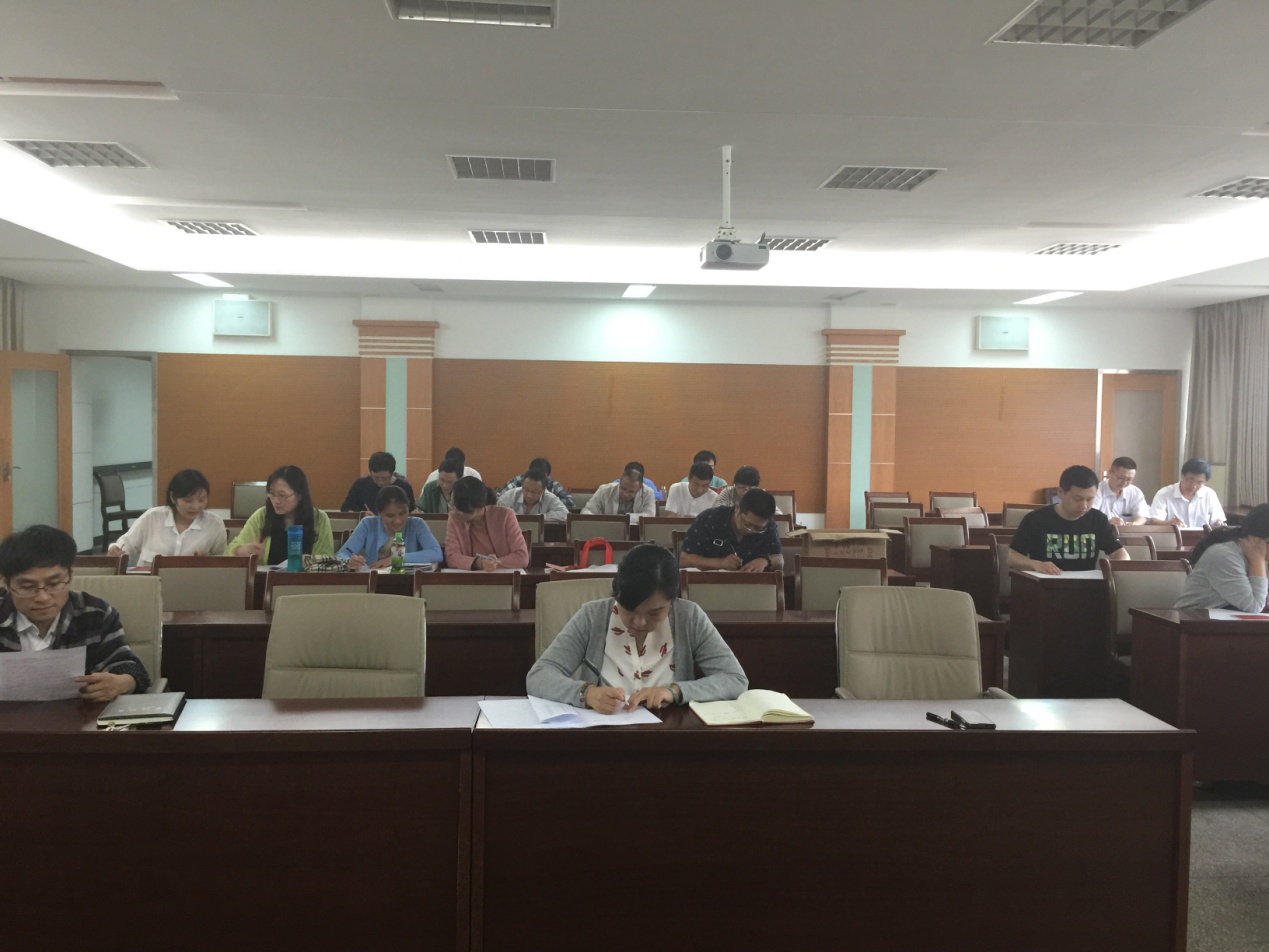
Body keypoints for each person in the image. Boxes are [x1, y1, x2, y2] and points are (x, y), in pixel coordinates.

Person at [526, 543, 748, 711]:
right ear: (617, 595)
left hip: (670, 735)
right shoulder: (593, 616)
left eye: (654, 612)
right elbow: (539, 676)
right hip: (603, 735)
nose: (639, 622)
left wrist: (675, 691)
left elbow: (735, 679)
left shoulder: (689, 617)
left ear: (672, 601)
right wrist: (586, 693)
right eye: (629, 610)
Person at [0, 525, 150, 700]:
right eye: (27, 587)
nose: (42, 597)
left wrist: (123, 682)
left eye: (54, 584)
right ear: (6, 584)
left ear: (70, 576)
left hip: (80, 715)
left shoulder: (95, 614)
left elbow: (130, 667)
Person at [1008, 465, 1128, 575]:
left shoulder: (1098, 519)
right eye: (1077, 499)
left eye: (1090, 499)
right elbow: (1012, 557)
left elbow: (1120, 553)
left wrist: (1116, 568)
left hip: (1087, 586)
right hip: (1046, 584)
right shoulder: (1036, 519)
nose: (1084, 506)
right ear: (1061, 493)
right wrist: (1035, 564)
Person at [107, 468, 226, 567]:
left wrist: (208, 562)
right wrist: (115, 551)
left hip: (192, 584)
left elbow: (223, 563)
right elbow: (125, 546)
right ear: (173, 497)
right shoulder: (152, 517)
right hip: (149, 583)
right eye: (188, 500)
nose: (195, 506)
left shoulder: (214, 525)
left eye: (201, 500)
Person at [226, 465, 334, 563]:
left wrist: (308, 560)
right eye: (272, 494)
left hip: (305, 578)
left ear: (300, 495)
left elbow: (327, 558)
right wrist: (240, 551)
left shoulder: (319, 519)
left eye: (282, 495)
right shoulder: (261, 516)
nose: (275, 501)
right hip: (265, 578)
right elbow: (229, 551)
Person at [1175, 504, 1269, 613]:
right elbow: (1254, 606)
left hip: (1233, 621)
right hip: (1194, 619)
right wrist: (1257, 561)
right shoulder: (1225, 555)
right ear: (1262, 541)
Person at [680, 487, 783, 572]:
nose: (750, 530)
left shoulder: (769, 526)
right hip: (709, 583)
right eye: (746, 523)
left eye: (758, 528)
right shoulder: (710, 518)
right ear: (737, 508)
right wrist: (720, 563)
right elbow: (684, 559)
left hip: (752, 586)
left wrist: (764, 561)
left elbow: (779, 559)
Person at [337, 485, 442, 568]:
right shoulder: (368, 524)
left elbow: (436, 553)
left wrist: (395, 559)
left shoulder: (417, 524)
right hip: (373, 580)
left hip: (407, 582)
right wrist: (349, 561)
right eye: (390, 516)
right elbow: (341, 554)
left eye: (402, 514)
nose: (397, 521)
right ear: (379, 513)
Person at [444, 475, 530, 570]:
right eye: (452, 505)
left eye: (460, 509)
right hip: (470, 577)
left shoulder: (505, 516)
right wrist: (478, 563)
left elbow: (522, 557)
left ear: (479, 506)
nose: (455, 511)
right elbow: (451, 557)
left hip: (503, 576)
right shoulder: (454, 518)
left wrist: (494, 564)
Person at [1149, 457, 1227, 528]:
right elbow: (1154, 520)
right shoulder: (1164, 494)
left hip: (1203, 538)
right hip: (1174, 537)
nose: (1194, 486)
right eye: (1190, 481)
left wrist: (1218, 524)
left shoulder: (1209, 494)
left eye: (1199, 483)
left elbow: (1217, 519)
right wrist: (1169, 523)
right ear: (1182, 475)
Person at [340, 451, 415, 513]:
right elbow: (345, 509)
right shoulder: (360, 484)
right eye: (376, 478)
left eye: (384, 478)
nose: (380, 481)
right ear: (370, 473)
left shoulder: (404, 487)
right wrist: (362, 515)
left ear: (392, 473)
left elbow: (411, 512)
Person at [495, 457, 575, 509]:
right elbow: (497, 498)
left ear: (547, 476)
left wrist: (550, 505)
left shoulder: (551, 483)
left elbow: (570, 502)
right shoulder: (518, 480)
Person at [583, 462, 658, 517]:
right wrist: (599, 519)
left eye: (631, 491)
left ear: (640, 487)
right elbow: (586, 511)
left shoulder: (648, 493)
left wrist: (624, 518)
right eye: (623, 488)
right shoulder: (604, 490)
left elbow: (650, 515)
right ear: (620, 480)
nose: (625, 494)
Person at [497, 467, 569, 524]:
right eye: (526, 489)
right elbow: (497, 512)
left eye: (535, 491)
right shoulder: (510, 495)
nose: (529, 495)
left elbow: (565, 514)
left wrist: (540, 517)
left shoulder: (550, 498)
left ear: (543, 490)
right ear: (522, 486)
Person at [1093, 456, 1148, 526]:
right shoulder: (1097, 490)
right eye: (1121, 478)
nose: (1124, 483)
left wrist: (1133, 524)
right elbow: (1090, 516)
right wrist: (1107, 523)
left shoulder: (1135, 492)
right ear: (1110, 473)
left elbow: (1142, 517)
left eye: (1129, 479)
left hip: (1127, 532)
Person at [711, 465, 783, 514]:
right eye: (742, 487)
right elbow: (716, 511)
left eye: (750, 489)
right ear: (735, 484)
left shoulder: (760, 494)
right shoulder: (728, 492)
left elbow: (778, 514)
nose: (746, 491)